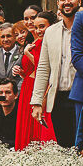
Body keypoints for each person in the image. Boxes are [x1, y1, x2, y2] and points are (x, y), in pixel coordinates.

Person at [31, 0, 81, 147]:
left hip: (81, 95)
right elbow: (43, 68)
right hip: (58, 97)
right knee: (64, 146)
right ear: (58, 3)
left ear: (79, 1)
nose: (67, 2)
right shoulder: (50, 32)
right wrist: (37, 102)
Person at [15, 13, 55, 150]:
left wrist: (27, 54)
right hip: (27, 86)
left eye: (42, 26)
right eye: (36, 27)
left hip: (39, 87)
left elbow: (44, 67)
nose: (38, 30)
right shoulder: (34, 42)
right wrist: (22, 73)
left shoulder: (46, 43)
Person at [0, 78, 20, 146]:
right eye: (0, 93)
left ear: (16, 95)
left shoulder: (21, 113)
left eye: (8, 92)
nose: (3, 96)